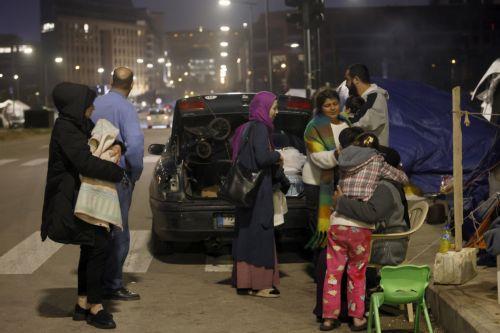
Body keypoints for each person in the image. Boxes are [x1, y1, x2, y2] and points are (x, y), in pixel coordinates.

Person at [41, 82, 126, 329]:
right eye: (88, 103)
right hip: (71, 198)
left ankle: (82, 304)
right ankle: (95, 307)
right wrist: (117, 173)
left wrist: (120, 145)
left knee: (91, 247)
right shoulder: (65, 128)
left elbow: (105, 139)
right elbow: (84, 162)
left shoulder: (79, 123)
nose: (92, 107)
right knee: (98, 246)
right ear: (76, 105)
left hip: (83, 196)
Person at [320, 129, 408, 331]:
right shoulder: (377, 160)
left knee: (333, 273)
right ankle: (357, 318)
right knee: (357, 274)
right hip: (360, 228)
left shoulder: (343, 157)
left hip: (338, 224)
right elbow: (400, 178)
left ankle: (328, 318)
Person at [92, 67, 144, 301]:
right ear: (131, 85)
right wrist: (135, 173)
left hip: (92, 173)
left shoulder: (94, 103)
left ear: (110, 81)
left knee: (97, 227)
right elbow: (134, 145)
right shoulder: (126, 107)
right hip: (117, 174)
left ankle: (96, 280)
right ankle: (112, 284)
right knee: (118, 230)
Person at [231, 91, 284, 297]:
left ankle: (245, 282)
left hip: (245, 191)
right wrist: (278, 155)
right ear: (263, 108)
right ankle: (261, 285)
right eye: (274, 107)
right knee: (261, 233)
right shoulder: (261, 128)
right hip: (259, 190)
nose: (276, 112)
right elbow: (262, 158)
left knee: (245, 234)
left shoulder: (244, 128)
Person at [302, 88, 349, 318]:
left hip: (341, 185)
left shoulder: (346, 123)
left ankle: (336, 276)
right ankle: (322, 277)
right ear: (319, 108)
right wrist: (338, 155)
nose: (332, 108)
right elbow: (318, 158)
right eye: (327, 105)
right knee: (321, 235)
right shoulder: (312, 128)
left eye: (335, 104)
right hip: (317, 187)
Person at [344, 64, 390, 146]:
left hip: (374, 156)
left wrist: (342, 118)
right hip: (359, 155)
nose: (346, 84)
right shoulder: (356, 99)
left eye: (347, 80)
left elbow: (363, 123)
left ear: (356, 80)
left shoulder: (376, 97)